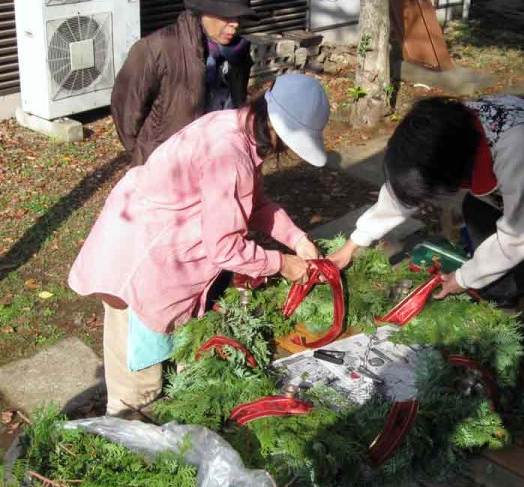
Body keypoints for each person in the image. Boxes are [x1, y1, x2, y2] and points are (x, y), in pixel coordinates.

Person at [69, 73, 330, 416]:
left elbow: (252, 203)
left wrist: (297, 239)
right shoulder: (231, 154)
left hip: (164, 251)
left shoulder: (233, 125)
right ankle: (126, 440)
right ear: (279, 132)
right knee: (138, 388)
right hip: (141, 263)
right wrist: (282, 264)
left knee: (180, 362)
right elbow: (223, 247)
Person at [329, 94, 524, 371]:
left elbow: (519, 236)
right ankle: (503, 287)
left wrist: (463, 277)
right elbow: (403, 191)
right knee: (477, 207)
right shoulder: (441, 135)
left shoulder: (521, 144)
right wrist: (353, 243)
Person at [111, 0, 256, 166]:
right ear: (205, 10)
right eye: (227, 16)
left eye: (240, 17)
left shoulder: (238, 53)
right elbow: (126, 110)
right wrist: (147, 155)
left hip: (216, 161)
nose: (235, 24)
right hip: (165, 167)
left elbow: (236, 101)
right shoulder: (158, 48)